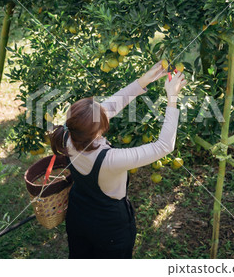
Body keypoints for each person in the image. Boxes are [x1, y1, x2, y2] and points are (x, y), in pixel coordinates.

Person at [49, 61, 187, 259]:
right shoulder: (110, 160)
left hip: (78, 216)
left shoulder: (67, 134)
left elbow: (111, 105)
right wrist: (172, 99)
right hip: (109, 230)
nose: (105, 110)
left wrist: (143, 81)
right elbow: (163, 146)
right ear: (99, 128)